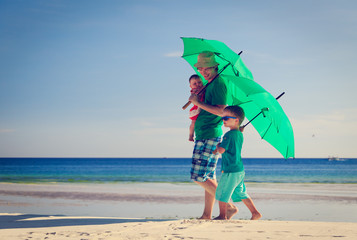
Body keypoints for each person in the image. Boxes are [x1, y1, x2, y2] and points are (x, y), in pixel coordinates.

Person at [188, 51, 236, 220]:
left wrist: (198, 102)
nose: (204, 71)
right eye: (201, 68)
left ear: (215, 66)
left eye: (207, 68)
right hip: (205, 133)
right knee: (208, 177)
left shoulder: (218, 84)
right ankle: (207, 214)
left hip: (209, 134)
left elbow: (221, 111)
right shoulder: (209, 84)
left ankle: (229, 207)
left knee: (198, 176)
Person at [213, 105, 262, 220]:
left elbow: (221, 150)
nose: (223, 120)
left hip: (230, 170)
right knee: (241, 192)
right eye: (222, 118)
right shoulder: (239, 134)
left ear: (236, 120)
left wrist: (217, 146)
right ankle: (255, 213)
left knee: (222, 192)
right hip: (239, 170)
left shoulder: (228, 135)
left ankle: (222, 215)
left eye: (226, 118)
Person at [188, 74, 204, 142]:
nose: (197, 84)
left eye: (199, 82)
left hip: (202, 107)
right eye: (194, 84)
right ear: (191, 86)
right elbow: (194, 98)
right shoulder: (194, 91)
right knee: (193, 122)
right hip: (197, 109)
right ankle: (191, 135)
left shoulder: (204, 88)